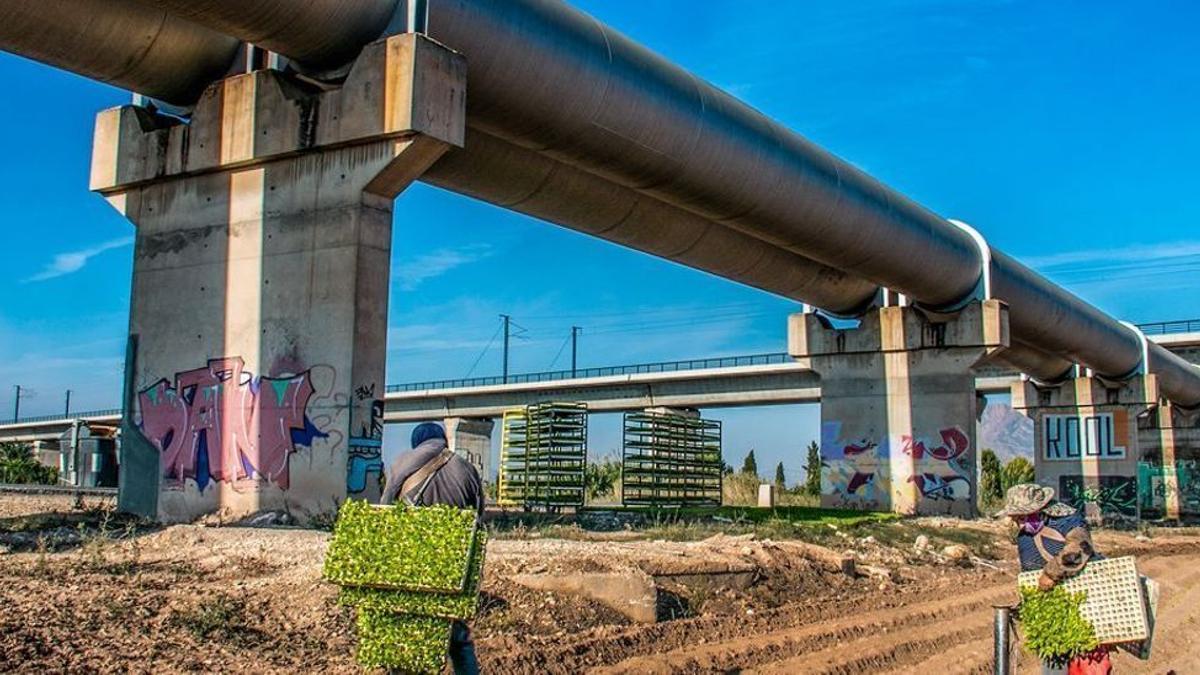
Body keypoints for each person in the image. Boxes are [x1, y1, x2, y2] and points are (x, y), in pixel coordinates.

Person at [382, 422, 483, 675]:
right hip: (453, 568)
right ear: (443, 440)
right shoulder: (466, 468)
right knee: (458, 637)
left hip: (412, 565)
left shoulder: (402, 463)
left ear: (417, 443)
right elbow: (478, 519)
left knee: (407, 632)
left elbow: (384, 514)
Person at [997, 483, 1111, 675]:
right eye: (1016, 518)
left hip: (1085, 603)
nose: (1019, 523)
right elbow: (1029, 575)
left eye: (1022, 517)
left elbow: (1079, 549)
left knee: (1088, 663)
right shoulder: (1025, 537)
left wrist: (1051, 574)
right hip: (1052, 613)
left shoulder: (1068, 521)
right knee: (1052, 664)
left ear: (1041, 511)